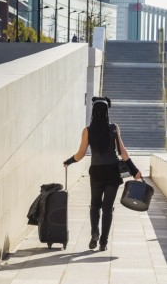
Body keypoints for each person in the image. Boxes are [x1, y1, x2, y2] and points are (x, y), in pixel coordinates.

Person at [63, 96, 141, 251]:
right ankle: (103, 242)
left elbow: (80, 154)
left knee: (95, 205)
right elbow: (123, 153)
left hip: (97, 172)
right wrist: (134, 171)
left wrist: (69, 161)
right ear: (107, 111)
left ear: (93, 111)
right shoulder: (114, 128)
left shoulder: (88, 131)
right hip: (112, 172)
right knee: (107, 208)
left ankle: (94, 232)